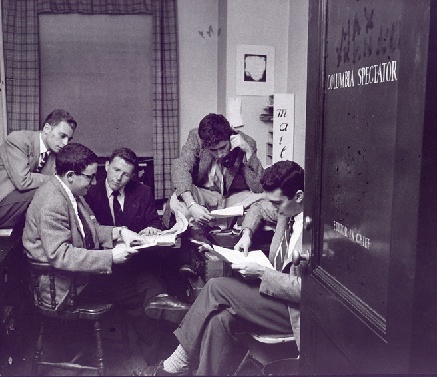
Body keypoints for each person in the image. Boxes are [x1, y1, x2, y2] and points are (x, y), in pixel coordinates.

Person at [137, 160, 305, 376]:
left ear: (299, 196)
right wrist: (246, 233)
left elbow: (308, 290)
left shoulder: (315, 230)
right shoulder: (287, 211)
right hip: (275, 297)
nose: (273, 208)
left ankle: (174, 365)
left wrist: (264, 273)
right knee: (219, 320)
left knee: (216, 287)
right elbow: (257, 207)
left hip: (294, 312)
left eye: (277, 203)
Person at [84, 147, 190, 364]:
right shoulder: (89, 194)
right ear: (106, 167)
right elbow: (90, 234)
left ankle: (159, 302)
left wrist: (152, 229)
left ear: (132, 176)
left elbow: (153, 221)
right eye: (115, 170)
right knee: (140, 302)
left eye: (125, 174)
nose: (118, 178)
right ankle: (158, 305)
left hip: (138, 261)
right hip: (107, 266)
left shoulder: (142, 192)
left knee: (150, 278)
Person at [22, 143, 143, 309]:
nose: (93, 182)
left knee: (133, 283)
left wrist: (120, 232)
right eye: (89, 177)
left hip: (74, 276)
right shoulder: (52, 202)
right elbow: (61, 255)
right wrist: (111, 257)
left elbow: (88, 230)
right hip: (65, 288)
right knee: (131, 291)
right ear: (71, 175)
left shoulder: (70, 192)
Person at [163, 113, 265, 229]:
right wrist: (191, 205)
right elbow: (181, 167)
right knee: (177, 199)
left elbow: (258, 187)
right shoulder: (196, 138)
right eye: (213, 150)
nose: (219, 154)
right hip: (204, 195)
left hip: (231, 198)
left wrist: (248, 152)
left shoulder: (246, 142)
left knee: (262, 197)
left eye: (222, 147)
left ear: (230, 137)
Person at [0, 109, 77, 229]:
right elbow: (23, 181)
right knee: (52, 190)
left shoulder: (55, 154)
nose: (65, 143)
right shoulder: (17, 140)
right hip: (3, 204)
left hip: (22, 211)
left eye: (69, 139)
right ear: (47, 128)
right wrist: (57, 180)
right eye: (62, 136)